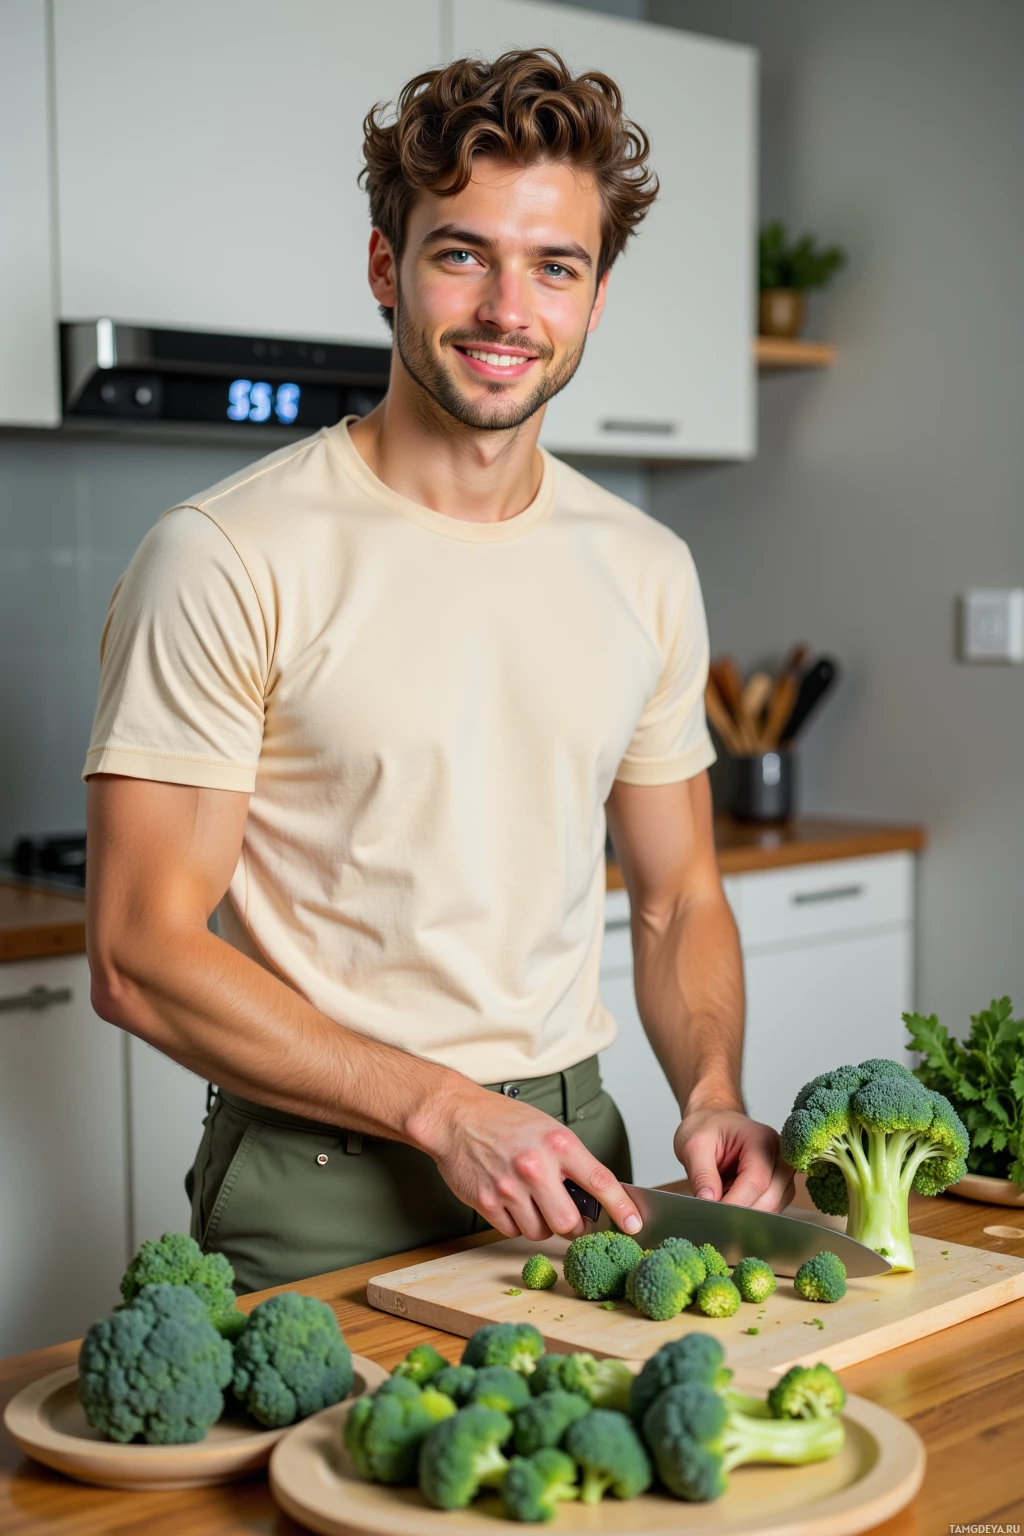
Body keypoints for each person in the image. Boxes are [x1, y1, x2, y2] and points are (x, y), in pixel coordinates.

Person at [83, 49, 794, 1295]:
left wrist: (714, 1090)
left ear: (595, 297)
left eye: (554, 266)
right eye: (463, 252)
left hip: (581, 1159)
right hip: (322, 1173)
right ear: (385, 268)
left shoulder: (644, 566)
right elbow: (139, 949)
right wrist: (441, 1108)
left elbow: (679, 897)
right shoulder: (225, 553)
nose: (507, 309)